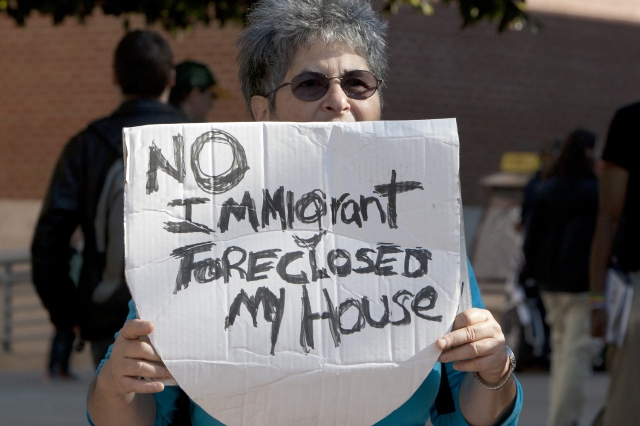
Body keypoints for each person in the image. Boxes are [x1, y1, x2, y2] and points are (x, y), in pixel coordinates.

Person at [87, 1, 522, 424]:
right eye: (310, 84)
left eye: (358, 83)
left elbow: (469, 413)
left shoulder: (425, 234)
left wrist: (493, 371)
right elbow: (140, 411)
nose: (339, 100)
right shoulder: (198, 237)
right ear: (263, 112)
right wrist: (116, 384)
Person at [31, 30, 187, 369]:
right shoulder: (202, 138)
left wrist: (68, 314)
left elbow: (49, 240)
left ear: (115, 76)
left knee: (115, 399)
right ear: (171, 78)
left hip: (110, 315)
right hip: (188, 314)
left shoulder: (87, 146)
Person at [523, 129, 597, 426]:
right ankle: (564, 420)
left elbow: (531, 238)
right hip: (582, 285)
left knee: (561, 353)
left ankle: (559, 417)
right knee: (576, 355)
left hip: (550, 285)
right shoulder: (594, 192)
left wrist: (535, 274)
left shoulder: (546, 189)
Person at [590, 102, 640, 425]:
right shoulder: (631, 121)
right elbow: (608, 218)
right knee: (628, 408)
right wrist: (597, 299)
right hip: (636, 283)